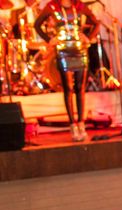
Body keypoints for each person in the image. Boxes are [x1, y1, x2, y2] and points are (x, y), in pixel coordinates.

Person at [34, 0, 99, 141]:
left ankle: (81, 123)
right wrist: (49, 39)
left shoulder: (80, 6)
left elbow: (96, 23)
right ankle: (72, 125)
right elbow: (37, 25)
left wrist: (88, 37)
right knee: (68, 88)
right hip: (63, 50)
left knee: (80, 88)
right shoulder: (52, 6)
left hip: (80, 50)